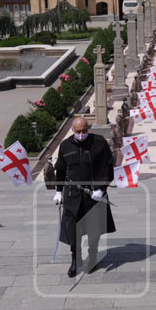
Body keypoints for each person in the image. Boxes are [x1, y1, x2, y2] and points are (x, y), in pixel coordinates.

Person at [53, 117, 115, 276]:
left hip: (94, 195)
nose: (82, 134)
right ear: (73, 130)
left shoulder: (99, 142)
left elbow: (108, 167)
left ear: (88, 128)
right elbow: (60, 169)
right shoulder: (65, 146)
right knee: (73, 229)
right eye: (78, 131)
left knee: (95, 229)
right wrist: (58, 191)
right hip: (73, 195)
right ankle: (76, 258)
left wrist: (102, 188)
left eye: (85, 130)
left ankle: (93, 256)